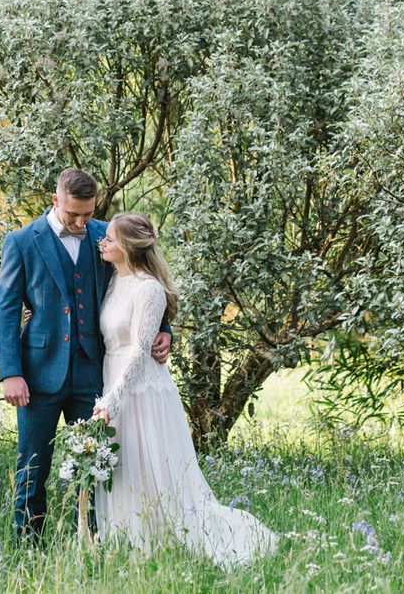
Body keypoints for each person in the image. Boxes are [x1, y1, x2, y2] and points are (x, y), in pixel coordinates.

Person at [0, 169, 172, 543]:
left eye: (87, 214)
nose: (80, 222)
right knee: (32, 464)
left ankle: (96, 541)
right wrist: (10, 372)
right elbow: (7, 311)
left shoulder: (107, 236)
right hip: (38, 373)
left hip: (94, 374)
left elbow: (142, 281)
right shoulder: (22, 242)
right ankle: (28, 545)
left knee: (99, 466)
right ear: (56, 199)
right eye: (73, 214)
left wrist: (163, 330)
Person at [92, 212, 279, 568]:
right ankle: (128, 542)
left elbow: (138, 347)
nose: (104, 242)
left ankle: (166, 541)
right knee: (125, 468)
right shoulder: (115, 278)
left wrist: (113, 399)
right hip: (112, 382)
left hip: (142, 391)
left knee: (152, 468)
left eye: (111, 239)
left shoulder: (149, 288)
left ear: (129, 247)